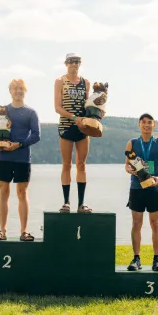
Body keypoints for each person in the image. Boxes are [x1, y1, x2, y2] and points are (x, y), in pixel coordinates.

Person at [0, 78, 41, 241]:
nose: (18, 91)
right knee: (3, 192)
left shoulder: (31, 112)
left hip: (22, 158)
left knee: (22, 192)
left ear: (25, 91)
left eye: (21, 89)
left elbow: (36, 135)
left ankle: (23, 231)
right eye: (15, 88)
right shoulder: (3, 110)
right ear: (10, 91)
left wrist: (18, 144)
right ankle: (2, 231)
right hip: (3, 157)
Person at [124, 113, 158, 272]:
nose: (146, 125)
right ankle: (136, 258)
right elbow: (127, 166)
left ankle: (156, 259)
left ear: (154, 125)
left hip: (155, 188)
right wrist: (131, 170)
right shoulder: (132, 143)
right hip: (137, 188)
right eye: (143, 122)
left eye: (149, 122)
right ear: (139, 125)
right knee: (136, 223)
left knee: (155, 224)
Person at [54, 53, 96, 213]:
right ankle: (66, 203)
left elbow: (88, 104)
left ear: (80, 63)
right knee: (66, 164)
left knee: (81, 164)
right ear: (66, 63)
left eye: (76, 61)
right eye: (71, 61)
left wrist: (96, 113)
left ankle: (81, 204)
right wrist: (73, 117)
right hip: (66, 125)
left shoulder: (86, 82)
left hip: (83, 128)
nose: (73, 64)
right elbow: (57, 107)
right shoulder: (60, 81)